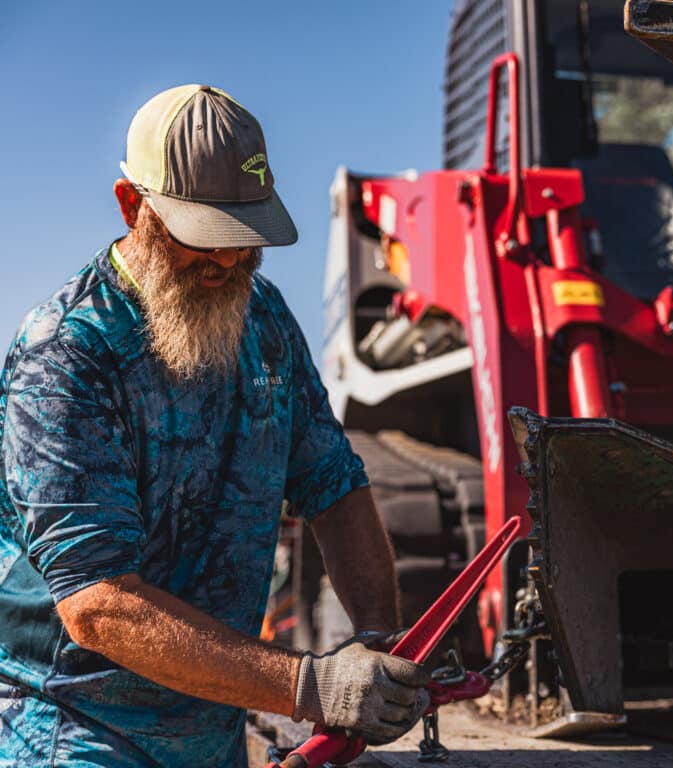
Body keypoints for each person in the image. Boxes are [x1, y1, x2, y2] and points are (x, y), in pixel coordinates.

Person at [0, 84, 429, 766]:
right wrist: (310, 685)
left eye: (245, 235)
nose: (228, 261)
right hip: (75, 733)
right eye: (204, 236)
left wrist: (381, 648)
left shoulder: (264, 321)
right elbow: (99, 606)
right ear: (131, 207)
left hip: (211, 734)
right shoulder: (68, 351)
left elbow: (335, 487)